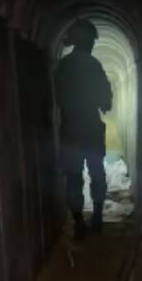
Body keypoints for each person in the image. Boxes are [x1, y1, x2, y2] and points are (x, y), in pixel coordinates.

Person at [54, 19, 112, 241]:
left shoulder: (63, 65)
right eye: (92, 41)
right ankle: (97, 217)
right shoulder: (93, 65)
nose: (93, 45)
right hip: (91, 129)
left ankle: (78, 222)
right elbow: (106, 102)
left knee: (73, 176)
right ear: (86, 40)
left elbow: (58, 97)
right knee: (97, 171)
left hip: (71, 130)